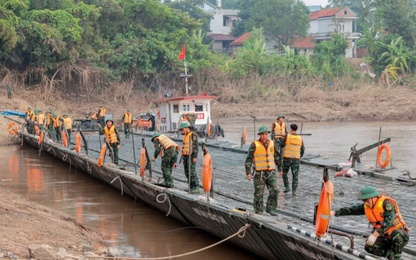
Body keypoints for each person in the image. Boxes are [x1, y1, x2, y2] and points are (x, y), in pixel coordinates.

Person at [331, 186, 409, 259]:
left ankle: (396, 257)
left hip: (398, 234)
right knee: (369, 246)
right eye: (364, 201)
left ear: (373, 198)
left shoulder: (386, 204)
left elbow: (389, 221)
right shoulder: (366, 206)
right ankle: (391, 256)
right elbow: (352, 209)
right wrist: (335, 213)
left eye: (367, 201)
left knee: (397, 236)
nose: (366, 203)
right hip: (384, 235)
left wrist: (375, 234)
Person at [244, 125, 282, 216]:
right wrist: (248, 173)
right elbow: (248, 159)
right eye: (263, 134)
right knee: (259, 193)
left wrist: (280, 168)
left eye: (266, 134)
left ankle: (271, 208)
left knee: (275, 189)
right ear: (260, 135)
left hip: (271, 172)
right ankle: (258, 211)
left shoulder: (272, 143)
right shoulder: (254, 144)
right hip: (259, 173)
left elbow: (277, 156)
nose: (265, 136)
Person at [281, 123, 304, 196]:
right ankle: (294, 191)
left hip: (287, 158)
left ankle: (287, 186)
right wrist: (300, 156)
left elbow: (281, 144)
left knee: (284, 172)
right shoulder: (300, 138)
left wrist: (282, 138)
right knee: (295, 175)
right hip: (296, 158)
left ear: (290, 129)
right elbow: (303, 149)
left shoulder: (287, 136)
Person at [179, 122, 199, 193]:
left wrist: (194, 156)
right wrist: (183, 157)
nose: (182, 131)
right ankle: (190, 187)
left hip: (191, 156)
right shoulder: (185, 136)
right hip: (186, 157)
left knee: (192, 172)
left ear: (186, 128)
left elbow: (196, 147)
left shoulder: (192, 135)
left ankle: (196, 187)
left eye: (183, 129)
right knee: (187, 172)